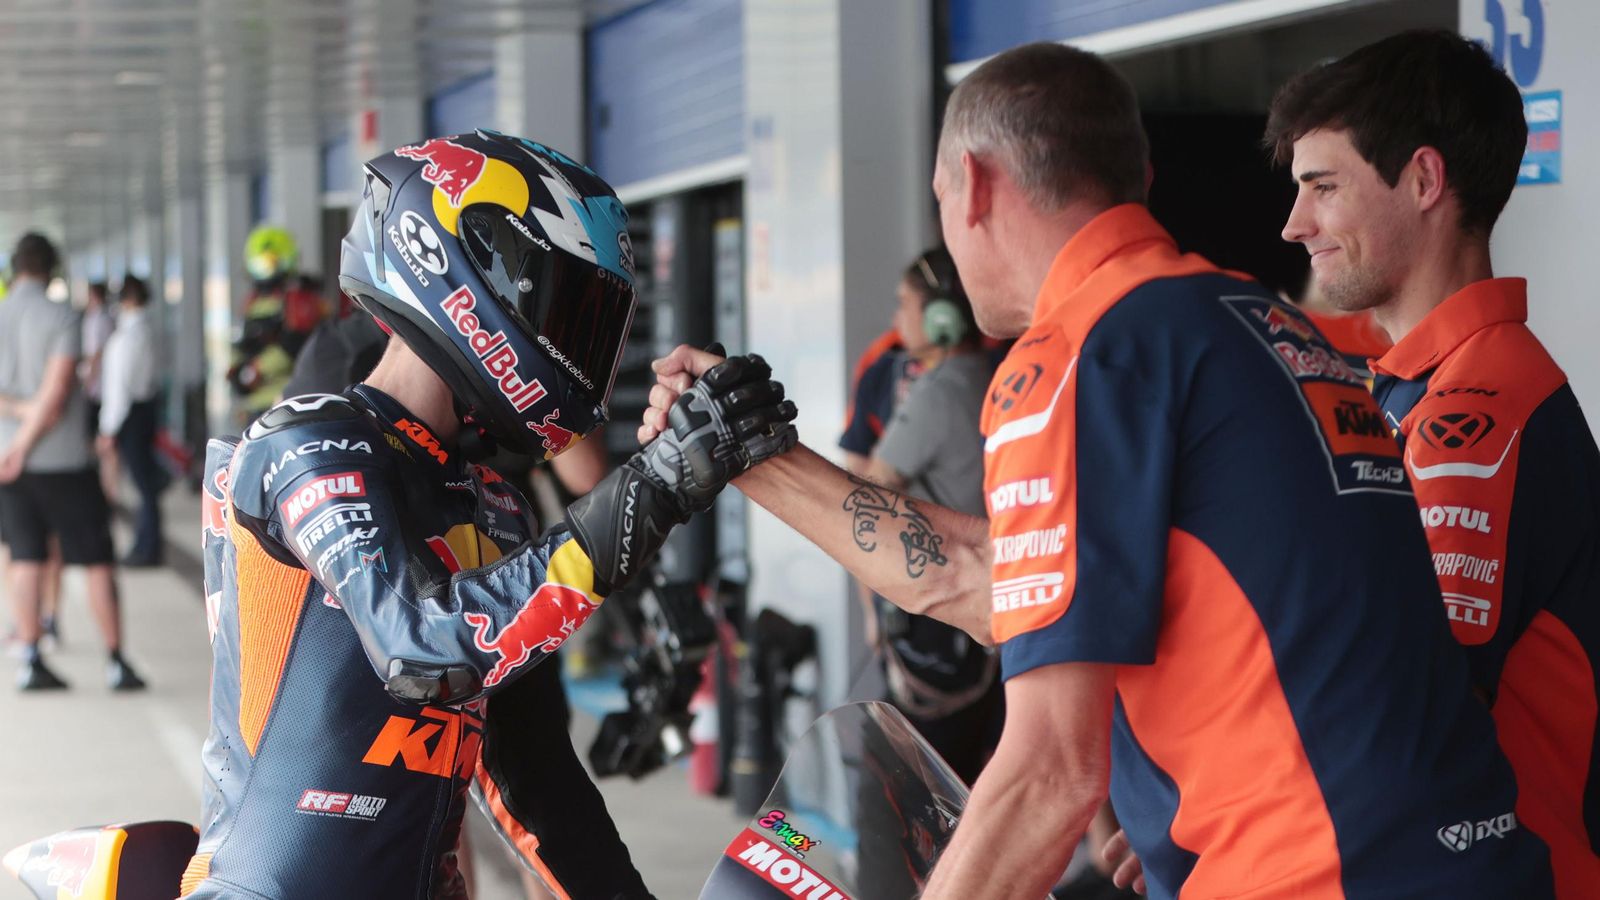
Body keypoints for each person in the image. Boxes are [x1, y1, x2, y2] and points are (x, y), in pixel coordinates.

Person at [641, 43, 1553, 898]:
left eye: (940, 198)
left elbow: (1049, 773)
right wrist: (745, 455)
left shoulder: (1077, 355)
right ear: (1139, 179)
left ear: (974, 184)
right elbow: (984, 579)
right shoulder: (1250, 323)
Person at [182, 130, 797, 899]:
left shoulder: (495, 507)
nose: (575, 340)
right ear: (459, 269)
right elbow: (419, 646)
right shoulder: (305, 441)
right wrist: (658, 485)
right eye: (562, 306)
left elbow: (539, 787)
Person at [1270, 30, 1600, 896]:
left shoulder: (1479, 412)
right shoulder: (1417, 388)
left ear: (1423, 180)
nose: (1294, 224)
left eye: (1323, 187)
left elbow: (1401, 703)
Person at [857, 246, 1001, 784]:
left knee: (911, 785)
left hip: (939, 625)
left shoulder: (939, 391)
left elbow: (869, 493)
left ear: (941, 318)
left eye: (905, 304)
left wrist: (873, 605)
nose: (897, 319)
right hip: (986, 623)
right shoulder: (991, 375)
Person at [0, 233, 144, 692]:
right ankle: (116, 662)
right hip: (61, 462)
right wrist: (28, 438)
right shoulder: (62, 315)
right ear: (52, 269)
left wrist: (15, 438)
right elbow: (58, 390)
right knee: (97, 560)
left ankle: (31, 659)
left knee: (25, 556)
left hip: (8, 464)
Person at [98, 274, 167, 567]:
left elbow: (119, 389)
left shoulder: (127, 337)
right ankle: (147, 543)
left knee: (143, 485)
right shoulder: (150, 331)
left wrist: (107, 429)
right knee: (145, 484)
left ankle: (146, 547)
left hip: (130, 415)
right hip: (145, 409)